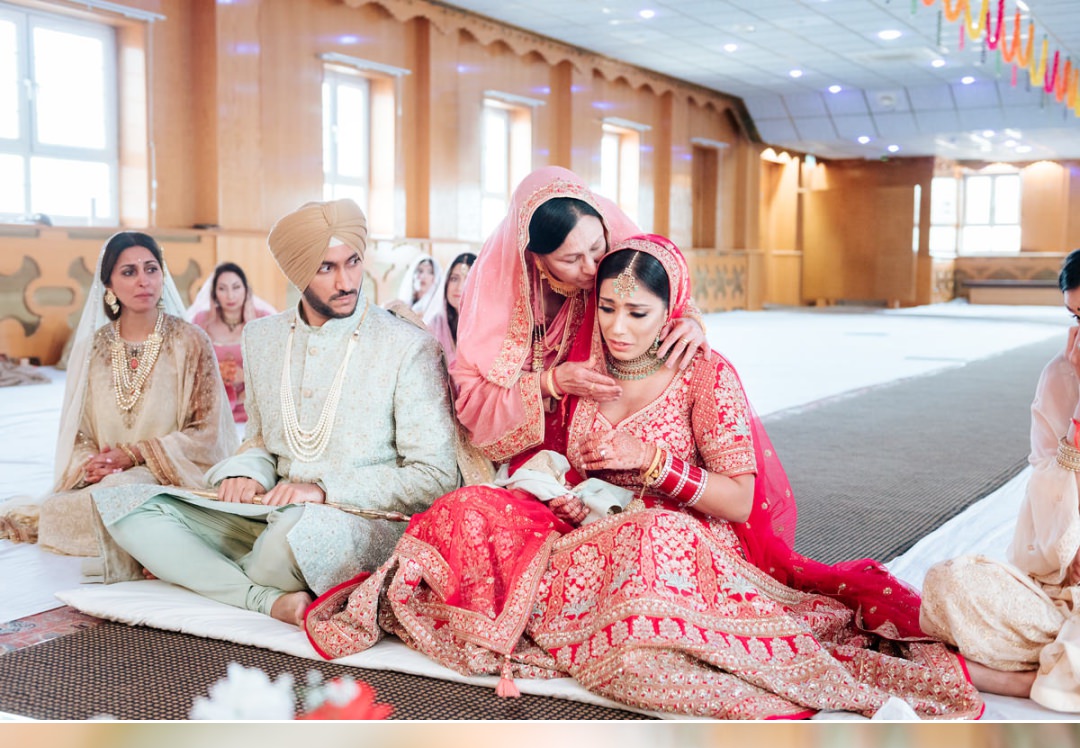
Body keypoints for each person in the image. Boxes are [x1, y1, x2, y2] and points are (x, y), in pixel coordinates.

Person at [306, 237, 982, 719]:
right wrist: (556, 480)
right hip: (578, 525)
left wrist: (660, 470)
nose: (617, 328)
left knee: (650, 538)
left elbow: (741, 497)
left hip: (676, 539)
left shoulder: (703, 375)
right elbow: (498, 405)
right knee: (467, 505)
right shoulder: (585, 361)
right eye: (607, 308)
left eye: (638, 313)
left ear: (673, 311)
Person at [93, 200, 460, 628]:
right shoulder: (264, 338)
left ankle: (216, 574)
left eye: (353, 262)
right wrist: (249, 471)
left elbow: (435, 476)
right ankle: (264, 600)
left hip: (354, 520)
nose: (345, 282)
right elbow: (262, 439)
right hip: (267, 507)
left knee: (281, 546)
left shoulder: (405, 345)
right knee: (125, 509)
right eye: (326, 268)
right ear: (296, 272)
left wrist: (323, 489)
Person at [0, 232, 236, 572]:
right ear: (108, 283)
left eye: (151, 269)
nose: (143, 280)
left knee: (126, 495)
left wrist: (136, 455)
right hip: (108, 481)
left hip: (171, 478)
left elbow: (207, 432)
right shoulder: (94, 348)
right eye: (129, 272)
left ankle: (153, 540)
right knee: (66, 508)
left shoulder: (190, 341)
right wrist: (94, 464)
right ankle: (149, 544)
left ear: (162, 275)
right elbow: (78, 432)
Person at [451, 167, 707, 466]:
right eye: (570, 259)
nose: (591, 268)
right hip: (529, 449)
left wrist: (688, 319)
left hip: (611, 433)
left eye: (597, 249)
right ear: (536, 258)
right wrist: (551, 382)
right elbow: (473, 402)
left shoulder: (614, 249)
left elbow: (659, 288)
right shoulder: (497, 291)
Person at [919, 249, 1080, 711]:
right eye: (1076, 316)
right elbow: (1046, 507)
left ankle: (1021, 679)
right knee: (950, 583)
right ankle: (1057, 666)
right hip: (1058, 591)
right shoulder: (1061, 377)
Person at [188, 262, 275, 425]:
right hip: (212, 408)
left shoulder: (265, 319)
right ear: (214, 293)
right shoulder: (201, 321)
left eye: (236, 287)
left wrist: (246, 376)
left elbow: (276, 367)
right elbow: (190, 365)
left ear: (246, 290)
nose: (230, 296)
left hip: (255, 409)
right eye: (222, 289)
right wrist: (215, 373)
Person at [424, 252, 476, 368]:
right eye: (454, 279)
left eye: (468, 280)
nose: (460, 287)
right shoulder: (435, 325)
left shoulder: (486, 328)